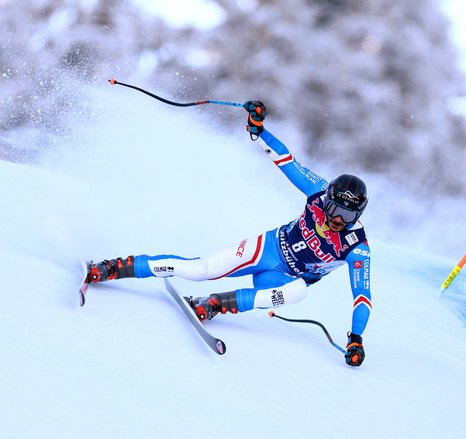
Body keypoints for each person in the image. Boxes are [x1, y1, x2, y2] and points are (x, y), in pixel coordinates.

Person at [83, 101, 372, 367]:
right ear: (329, 198)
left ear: (357, 216)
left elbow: (362, 297)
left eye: (346, 216)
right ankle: (109, 268)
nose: (336, 219)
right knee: (199, 269)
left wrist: (356, 338)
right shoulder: (318, 192)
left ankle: (215, 304)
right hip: (267, 250)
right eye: (334, 208)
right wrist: (258, 130)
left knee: (298, 292)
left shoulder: (356, 247)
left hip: (281, 279)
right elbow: (287, 161)